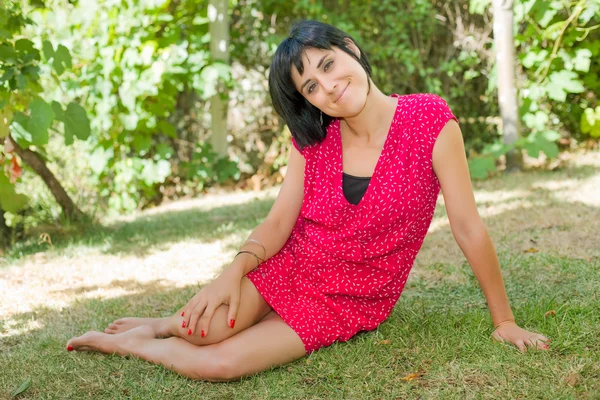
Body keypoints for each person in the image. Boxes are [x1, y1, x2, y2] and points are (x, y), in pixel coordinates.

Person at [66, 20, 550, 381]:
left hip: (348, 297)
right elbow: (278, 223)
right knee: (201, 330)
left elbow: (467, 226)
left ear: (351, 50)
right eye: (311, 86)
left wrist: (503, 320)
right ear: (309, 101)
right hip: (294, 264)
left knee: (218, 362)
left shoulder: (430, 120)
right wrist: (231, 272)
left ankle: (136, 345)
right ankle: (162, 324)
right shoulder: (314, 140)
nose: (329, 85)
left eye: (328, 64)